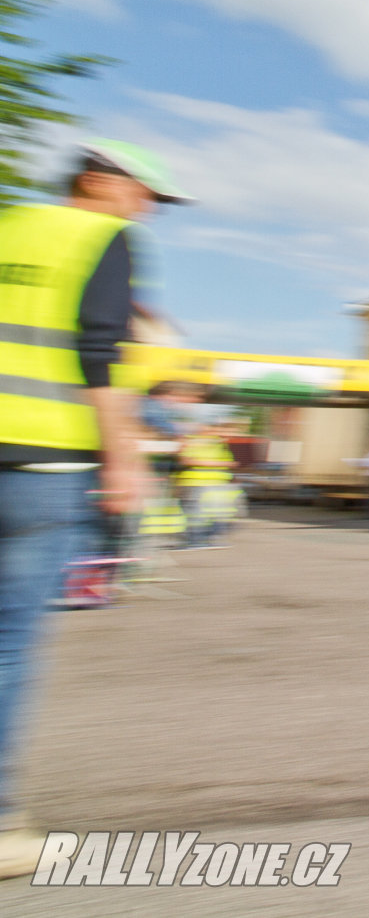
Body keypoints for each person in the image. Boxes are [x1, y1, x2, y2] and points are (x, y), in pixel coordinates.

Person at [0, 140, 189, 878]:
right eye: (143, 192)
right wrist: (125, 454)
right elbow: (100, 350)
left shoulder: (9, 223)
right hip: (42, 461)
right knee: (10, 637)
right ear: (97, 180)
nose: (145, 209)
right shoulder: (103, 236)